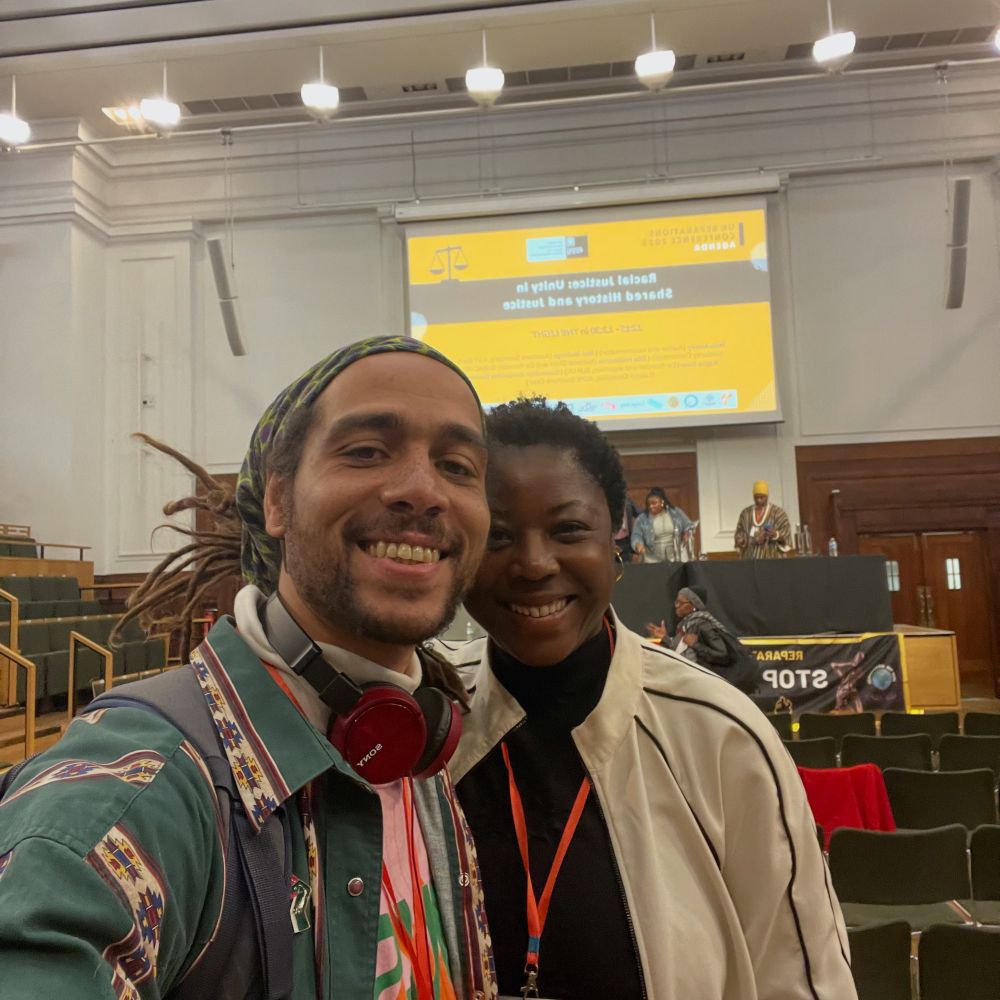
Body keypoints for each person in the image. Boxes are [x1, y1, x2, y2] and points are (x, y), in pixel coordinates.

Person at [0, 336, 497, 1000]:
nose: (422, 489)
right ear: (278, 501)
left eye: (458, 465)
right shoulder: (140, 787)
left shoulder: (415, 738)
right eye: (366, 451)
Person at [442, 398, 855, 1000]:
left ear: (618, 542)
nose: (533, 563)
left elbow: (803, 979)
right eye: (499, 535)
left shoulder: (722, 733)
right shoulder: (423, 711)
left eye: (567, 530)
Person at [646, 586, 758, 694]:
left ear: (694, 605)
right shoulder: (686, 625)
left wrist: (696, 644)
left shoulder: (703, 624)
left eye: (681, 602)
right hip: (690, 682)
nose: (677, 606)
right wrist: (665, 638)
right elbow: (682, 653)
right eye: (676, 602)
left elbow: (722, 655)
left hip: (705, 687)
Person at [630, 486, 695, 562]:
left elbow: (689, 525)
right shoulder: (642, 519)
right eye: (649, 504)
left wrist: (687, 533)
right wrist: (638, 544)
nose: (651, 506)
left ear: (662, 502)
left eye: (654, 503)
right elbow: (636, 535)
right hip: (652, 559)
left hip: (676, 557)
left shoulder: (676, 513)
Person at [734, 480, 792, 559]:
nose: (759, 500)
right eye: (756, 497)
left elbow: (786, 536)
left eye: (762, 497)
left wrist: (775, 534)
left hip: (772, 560)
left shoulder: (778, 513)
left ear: (767, 496)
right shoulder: (746, 514)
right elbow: (739, 533)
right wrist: (740, 540)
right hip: (750, 561)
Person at [612, 494, 640, 562]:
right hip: (612, 539)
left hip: (626, 540)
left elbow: (638, 513)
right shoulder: (606, 502)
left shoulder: (627, 500)